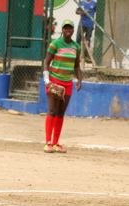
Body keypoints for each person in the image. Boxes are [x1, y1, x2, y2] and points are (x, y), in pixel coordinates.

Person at [43, 19, 83, 154]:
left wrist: (79, 79)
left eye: (70, 28)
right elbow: (46, 62)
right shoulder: (55, 44)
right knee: (52, 110)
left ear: (72, 30)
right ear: (62, 30)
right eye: (65, 28)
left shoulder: (76, 47)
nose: (68, 30)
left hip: (67, 82)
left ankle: (56, 143)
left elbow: (76, 65)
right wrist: (46, 79)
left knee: (61, 113)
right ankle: (48, 142)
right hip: (54, 80)